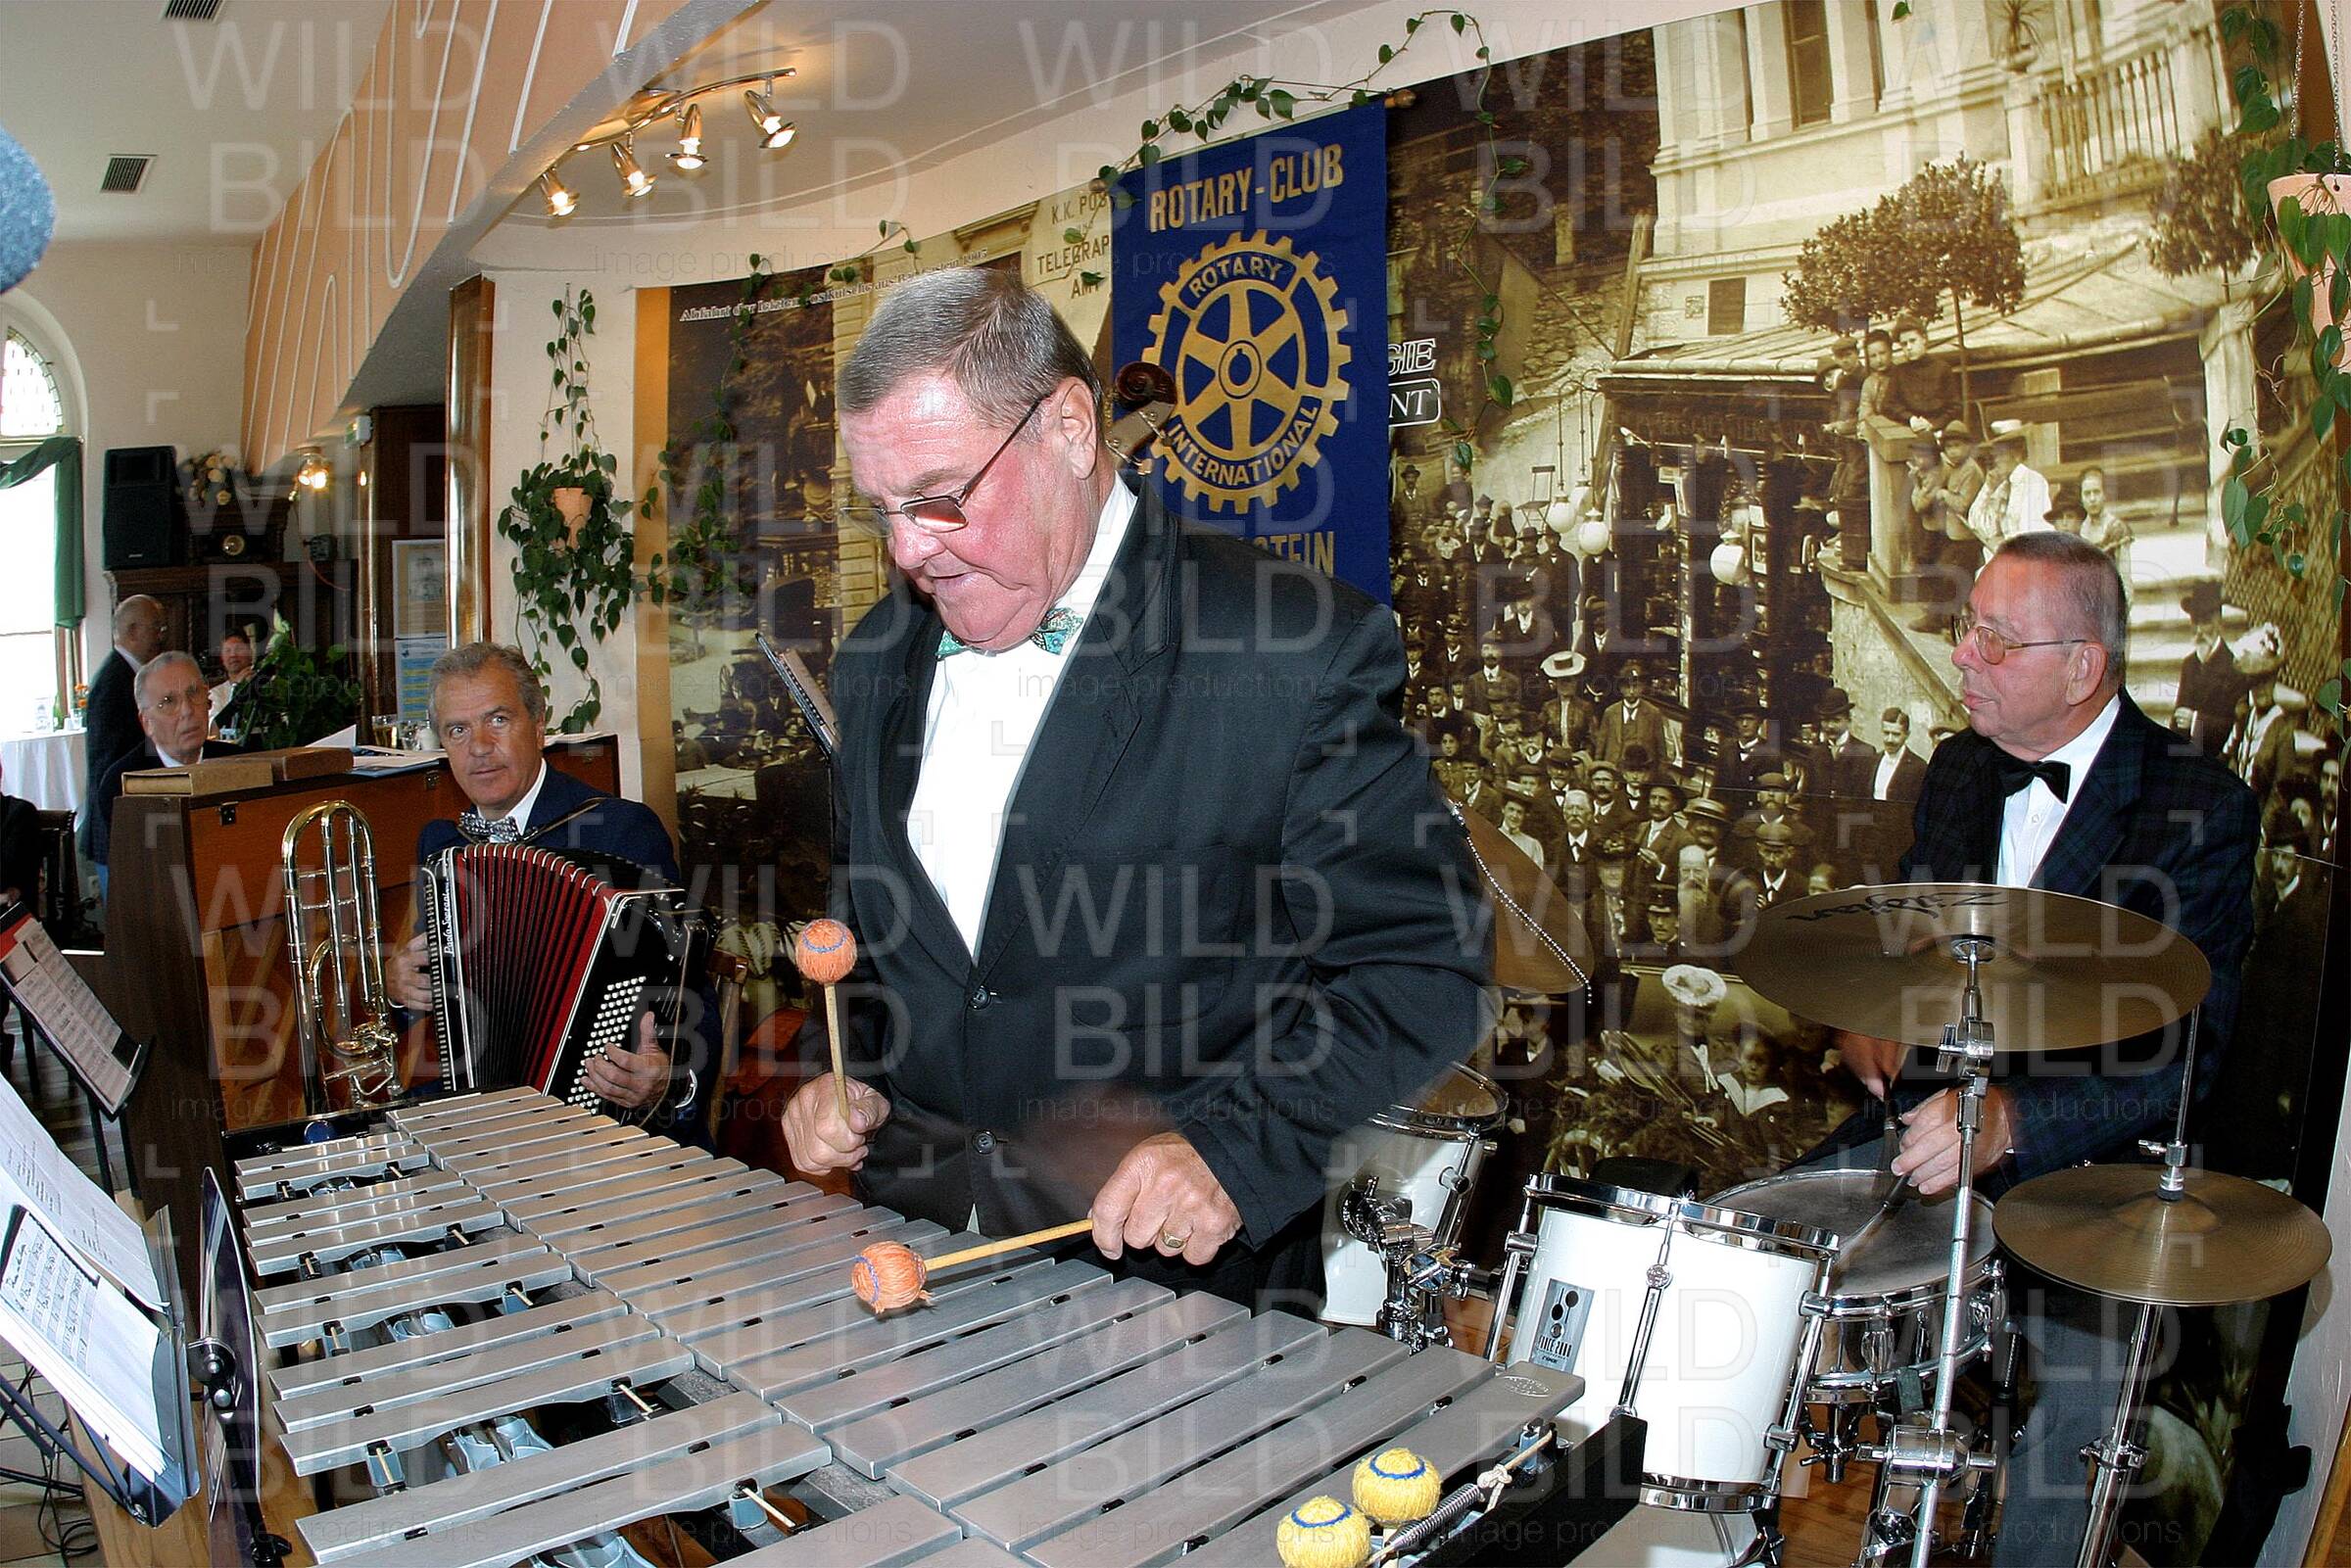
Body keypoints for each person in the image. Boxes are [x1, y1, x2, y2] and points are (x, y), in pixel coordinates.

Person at [777, 267, 1490, 1306]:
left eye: (938, 498)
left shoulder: (1287, 647)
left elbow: (1428, 964)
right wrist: (838, 1074)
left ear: (1070, 427)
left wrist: (1236, 1152)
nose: (907, 550)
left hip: (1172, 1298)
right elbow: (871, 937)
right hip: (916, 1248)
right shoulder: (876, 661)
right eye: (881, 509)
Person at [1805, 532, 2257, 1565]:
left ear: (2083, 666)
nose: (1962, 654)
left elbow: (2189, 1050)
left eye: (1996, 640)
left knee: (2079, 1415)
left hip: (2092, 1165)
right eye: (1966, 627)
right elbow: (1907, 940)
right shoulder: (1961, 768)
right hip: (1928, 1126)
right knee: (1756, 1243)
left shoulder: (2200, 808)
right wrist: (1868, 1012)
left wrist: (2014, 1122)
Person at [384, 642, 700, 1127]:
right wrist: (398, 986)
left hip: (598, 1114)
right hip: (480, 1105)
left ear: (538, 725)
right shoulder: (443, 845)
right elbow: (435, 998)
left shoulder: (620, 831)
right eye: (457, 730)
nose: (479, 747)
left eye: (498, 720)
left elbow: (688, 987)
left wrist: (668, 1076)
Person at [90, 652, 249, 874]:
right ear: (146, 723)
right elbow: (137, 871)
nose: (188, 711)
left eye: (194, 693)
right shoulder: (123, 784)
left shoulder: (241, 764)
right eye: (168, 702)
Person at [78, 595, 167, 861]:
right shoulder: (114, 682)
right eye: (156, 627)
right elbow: (110, 763)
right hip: (117, 826)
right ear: (133, 630)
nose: (161, 635)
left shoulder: (130, 675)